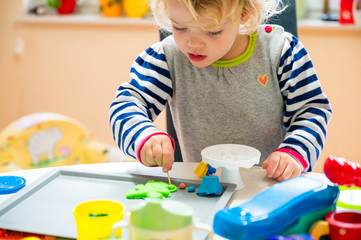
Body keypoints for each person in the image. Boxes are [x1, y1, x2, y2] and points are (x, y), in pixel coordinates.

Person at [109, 0, 332, 181]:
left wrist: (294, 152)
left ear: (244, 13)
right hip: (203, 189)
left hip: (270, 186)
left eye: (213, 31)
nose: (193, 43)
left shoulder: (281, 51)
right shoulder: (168, 58)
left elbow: (311, 111)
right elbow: (127, 104)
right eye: (179, 27)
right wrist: (143, 135)